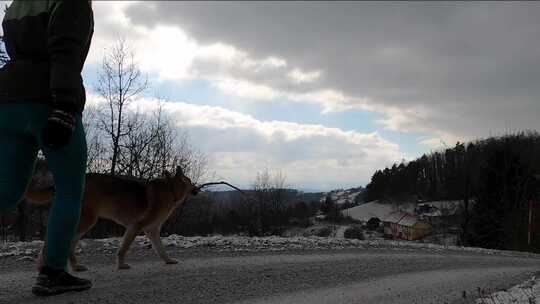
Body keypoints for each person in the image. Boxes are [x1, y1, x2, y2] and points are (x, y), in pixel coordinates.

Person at [0, 0, 94, 296]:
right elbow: (65, 50)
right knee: (69, 191)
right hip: (48, 100)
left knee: (6, 191)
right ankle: (52, 272)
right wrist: (65, 105)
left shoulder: (19, 3)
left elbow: (16, 50)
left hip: (8, 100)